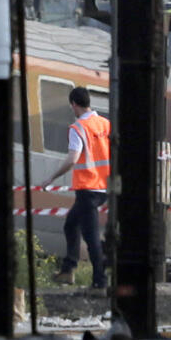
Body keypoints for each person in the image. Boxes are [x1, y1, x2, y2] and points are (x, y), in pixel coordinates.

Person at [42, 86, 109, 289]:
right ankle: (68, 270)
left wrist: (50, 178)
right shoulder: (105, 124)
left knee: (90, 236)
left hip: (87, 188)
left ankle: (100, 280)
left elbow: (72, 159)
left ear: (73, 104)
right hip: (103, 187)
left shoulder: (78, 128)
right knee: (71, 224)